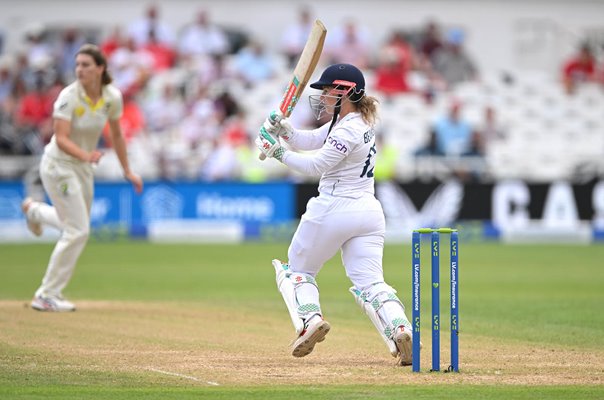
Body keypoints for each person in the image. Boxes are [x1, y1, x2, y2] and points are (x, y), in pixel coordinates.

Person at [256, 63, 413, 365]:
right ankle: (400, 328)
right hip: (368, 212)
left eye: (328, 91)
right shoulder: (354, 123)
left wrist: (277, 152)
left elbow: (316, 166)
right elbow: (312, 140)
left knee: (296, 271)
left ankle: (309, 321)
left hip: (334, 207)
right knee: (370, 282)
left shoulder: (348, 129)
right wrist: (286, 131)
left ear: (346, 92)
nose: (323, 96)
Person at [21, 44, 143, 312]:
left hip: (82, 168)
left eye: (86, 65)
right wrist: (86, 155)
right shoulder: (68, 96)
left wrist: (127, 170)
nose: (80, 70)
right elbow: (61, 138)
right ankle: (46, 294)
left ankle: (35, 212)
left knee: (73, 226)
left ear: (100, 68)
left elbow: (118, 134)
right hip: (58, 165)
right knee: (78, 230)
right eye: (77, 64)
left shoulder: (112, 97)